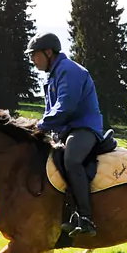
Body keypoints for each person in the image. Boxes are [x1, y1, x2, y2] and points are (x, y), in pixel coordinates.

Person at [30, 33, 105, 237]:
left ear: (48, 52)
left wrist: (40, 127)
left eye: (35, 55)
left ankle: (86, 217)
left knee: (72, 159)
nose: (32, 60)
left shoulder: (69, 70)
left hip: (84, 128)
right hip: (65, 131)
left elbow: (65, 107)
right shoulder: (53, 75)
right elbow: (50, 111)